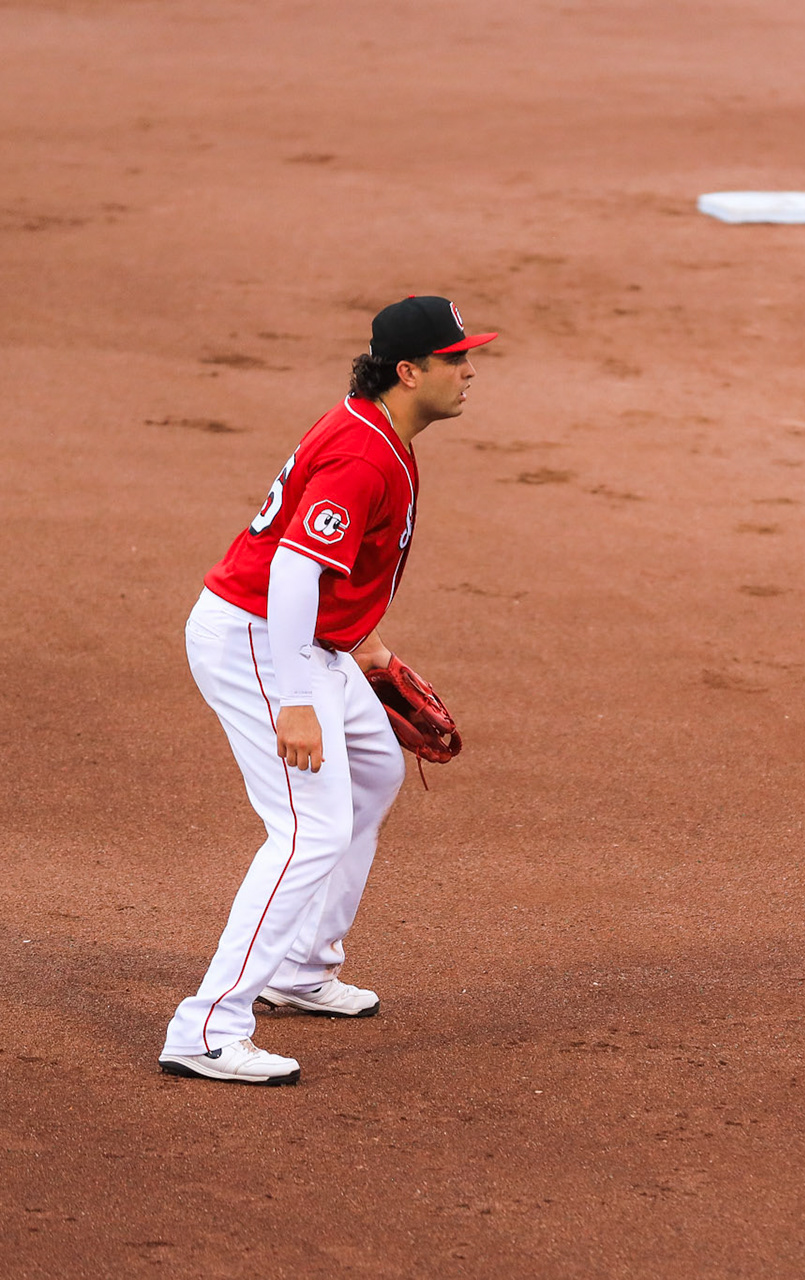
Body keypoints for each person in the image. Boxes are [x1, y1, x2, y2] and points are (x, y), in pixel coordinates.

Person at [158, 296, 494, 1085]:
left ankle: (300, 967)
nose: (469, 371)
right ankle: (207, 1028)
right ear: (408, 371)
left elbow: (331, 570)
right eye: (454, 359)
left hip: (309, 641)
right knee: (309, 830)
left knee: (373, 771)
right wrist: (298, 700)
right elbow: (291, 570)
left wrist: (367, 648)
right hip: (260, 641)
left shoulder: (376, 428)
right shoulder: (364, 455)